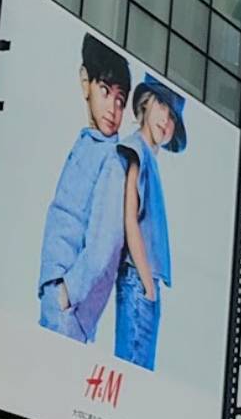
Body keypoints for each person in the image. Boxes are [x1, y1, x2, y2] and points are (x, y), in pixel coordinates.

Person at [38, 34, 131, 342]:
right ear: (85, 83)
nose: (113, 109)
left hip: (70, 308)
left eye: (121, 100)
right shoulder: (86, 145)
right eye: (105, 92)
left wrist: (67, 292)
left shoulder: (113, 162)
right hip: (56, 295)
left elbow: (105, 243)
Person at [113, 75, 186, 370]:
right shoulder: (137, 151)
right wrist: (147, 285)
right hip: (137, 279)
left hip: (144, 281)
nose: (166, 122)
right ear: (146, 103)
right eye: (162, 109)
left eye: (172, 118)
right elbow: (130, 218)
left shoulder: (148, 158)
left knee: (140, 371)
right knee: (133, 369)